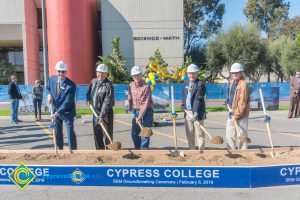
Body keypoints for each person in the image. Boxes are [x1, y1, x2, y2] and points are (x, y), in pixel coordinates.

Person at [47, 61, 77, 150]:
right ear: (56, 71)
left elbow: (68, 102)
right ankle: (60, 149)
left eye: (63, 71)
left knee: (70, 131)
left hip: (67, 111)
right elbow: (48, 88)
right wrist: (49, 95)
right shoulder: (51, 79)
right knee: (57, 131)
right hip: (55, 110)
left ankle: (73, 150)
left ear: (66, 72)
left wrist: (57, 113)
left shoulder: (71, 85)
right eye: (59, 71)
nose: (61, 73)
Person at [86, 64, 115, 149]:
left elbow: (107, 102)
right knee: (97, 134)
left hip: (106, 114)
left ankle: (109, 151)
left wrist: (102, 116)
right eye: (99, 72)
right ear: (96, 72)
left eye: (103, 73)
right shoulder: (93, 81)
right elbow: (88, 91)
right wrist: (88, 99)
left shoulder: (108, 85)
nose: (100, 75)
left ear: (106, 74)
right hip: (95, 112)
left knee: (107, 134)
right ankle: (100, 151)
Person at [181, 64, 206, 150]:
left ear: (197, 74)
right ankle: (192, 150)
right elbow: (184, 95)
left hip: (197, 113)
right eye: (190, 73)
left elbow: (197, 99)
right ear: (187, 74)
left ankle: (201, 151)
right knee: (190, 133)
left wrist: (195, 112)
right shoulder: (186, 82)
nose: (192, 75)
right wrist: (183, 105)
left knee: (200, 133)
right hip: (187, 112)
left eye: (193, 73)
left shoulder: (200, 84)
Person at [225, 63, 250, 150]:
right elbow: (232, 95)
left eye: (237, 73)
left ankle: (243, 153)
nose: (234, 74)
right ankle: (232, 151)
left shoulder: (243, 84)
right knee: (229, 134)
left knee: (241, 136)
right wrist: (228, 100)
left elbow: (242, 101)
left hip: (241, 115)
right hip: (231, 112)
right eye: (233, 73)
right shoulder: (232, 82)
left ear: (241, 73)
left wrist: (237, 115)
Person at [128, 66, 153, 150]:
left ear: (141, 75)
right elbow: (129, 96)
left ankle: (144, 152)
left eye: (138, 75)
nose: (136, 77)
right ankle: (138, 150)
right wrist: (131, 107)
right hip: (136, 111)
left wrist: (140, 116)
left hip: (146, 112)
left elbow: (145, 104)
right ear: (132, 76)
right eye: (134, 76)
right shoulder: (130, 85)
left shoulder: (146, 87)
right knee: (134, 133)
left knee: (145, 133)